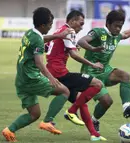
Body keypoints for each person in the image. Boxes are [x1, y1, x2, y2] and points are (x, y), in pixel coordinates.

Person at [1, 7, 79, 142]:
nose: (50, 27)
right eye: (49, 25)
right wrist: (51, 77)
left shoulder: (30, 33)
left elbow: (41, 38)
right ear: (43, 25)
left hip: (21, 79)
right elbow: (39, 62)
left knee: (34, 114)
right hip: (32, 79)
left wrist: (58, 36)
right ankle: (48, 121)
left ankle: (9, 130)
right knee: (64, 91)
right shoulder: (38, 39)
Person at [45, 10, 106, 141]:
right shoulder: (69, 31)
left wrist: (70, 48)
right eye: (80, 23)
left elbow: (48, 47)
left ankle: (94, 134)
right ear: (72, 21)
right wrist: (93, 64)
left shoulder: (59, 30)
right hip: (60, 73)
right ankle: (71, 111)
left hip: (52, 72)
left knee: (81, 99)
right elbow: (74, 55)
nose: (82, 27)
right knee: (97, 84)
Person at [78, 10, 130, 133]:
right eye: (116, 26)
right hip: (90, 72)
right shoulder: (98, 32)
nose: (118, 29)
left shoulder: (116, 36)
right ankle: (94, 120)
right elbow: (81, 41)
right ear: (108, 23)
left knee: (125, 76)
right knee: (107, 101)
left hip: (105, 70)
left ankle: (126, 107)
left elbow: (125, 34)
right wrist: (93, 48)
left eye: (120, 26)